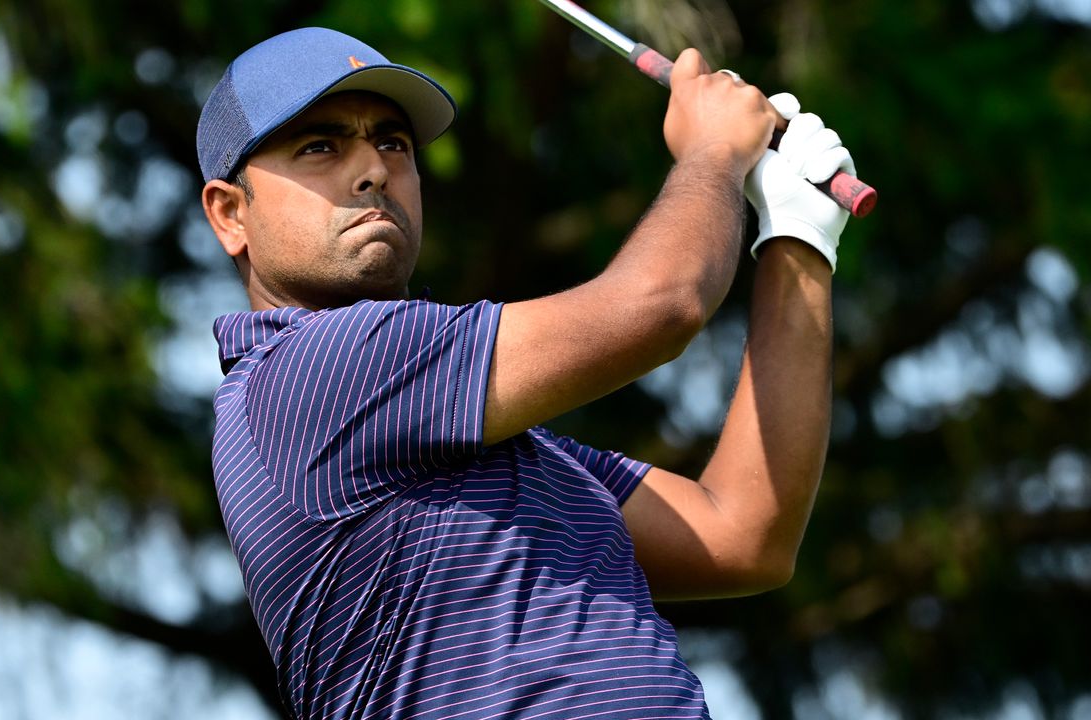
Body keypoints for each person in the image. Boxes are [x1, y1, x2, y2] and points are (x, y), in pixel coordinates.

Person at [196, 26, 853, 720]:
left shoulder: (494, 448)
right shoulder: (308, 376)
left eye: (393, 142)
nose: (375, 170)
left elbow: (744, 535)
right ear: (231, 213)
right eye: (321, 145)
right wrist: (715, 151)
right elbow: (663, 304)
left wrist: (798, 241)